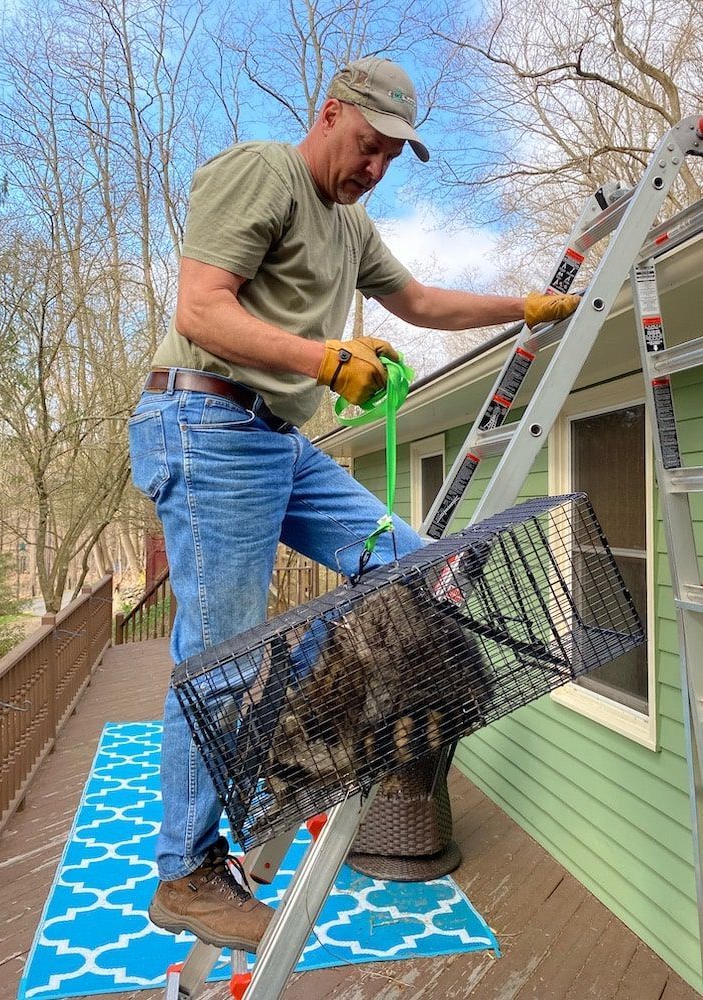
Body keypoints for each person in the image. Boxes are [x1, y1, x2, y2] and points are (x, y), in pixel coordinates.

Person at [128, 55, 579, 953]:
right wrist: (324, 359)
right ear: (330, 114)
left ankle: (287, 747)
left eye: (389, 157)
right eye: (368, 145)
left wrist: (522, 306)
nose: (373, 167)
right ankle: (184, 871)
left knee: (421, 568)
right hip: (209, 423)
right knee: (220, 660)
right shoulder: (266, 172)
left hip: (279, 442)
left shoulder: (350, 224)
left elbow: (418, 301)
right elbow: (201, 308)